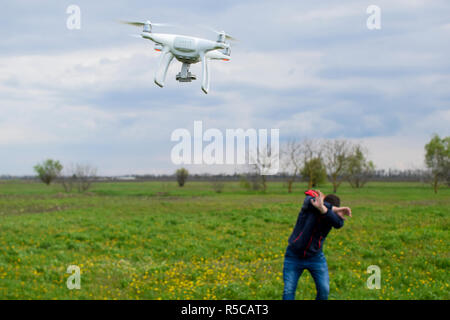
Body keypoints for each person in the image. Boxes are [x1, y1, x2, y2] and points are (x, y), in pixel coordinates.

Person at [282, 190, 352, 300]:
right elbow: (307, 199)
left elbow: (339, 224)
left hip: (315, 257)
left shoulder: (331, 218)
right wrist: (330, 208)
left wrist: (324, 209)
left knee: (324, 290)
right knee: (288, 291)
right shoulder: (310, 207)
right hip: (294, 256)